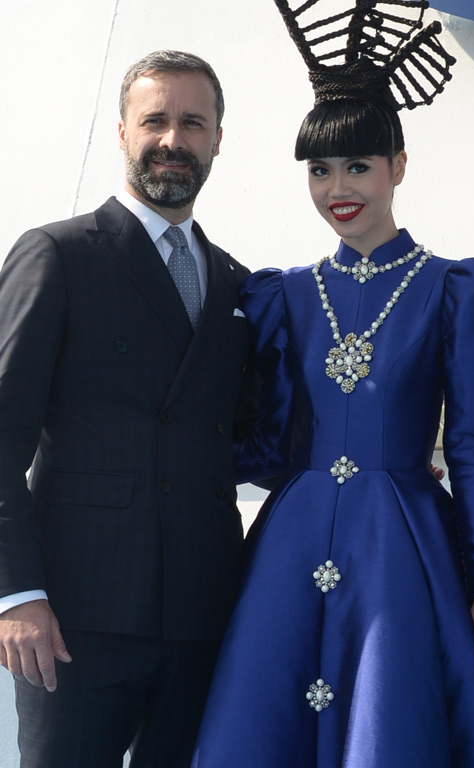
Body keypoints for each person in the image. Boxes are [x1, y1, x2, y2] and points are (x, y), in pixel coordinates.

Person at [190, 2, 474, 766]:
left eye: (357, 165)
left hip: (406, 545)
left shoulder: (459, 290)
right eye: (320, 169)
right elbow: (260, 436)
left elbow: (468, 446)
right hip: (290, 543)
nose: (337, 188)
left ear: (399, 165)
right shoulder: (277, 295)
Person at [0, 50, 253, 767]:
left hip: (203, 621)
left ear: (217, 139)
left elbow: (250, 437)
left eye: (192, 123)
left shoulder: (238, 284)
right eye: (156, 120)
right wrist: (15, 594)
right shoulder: (58, 254)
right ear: (122, 132)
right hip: (72, 622)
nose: (173, 139)